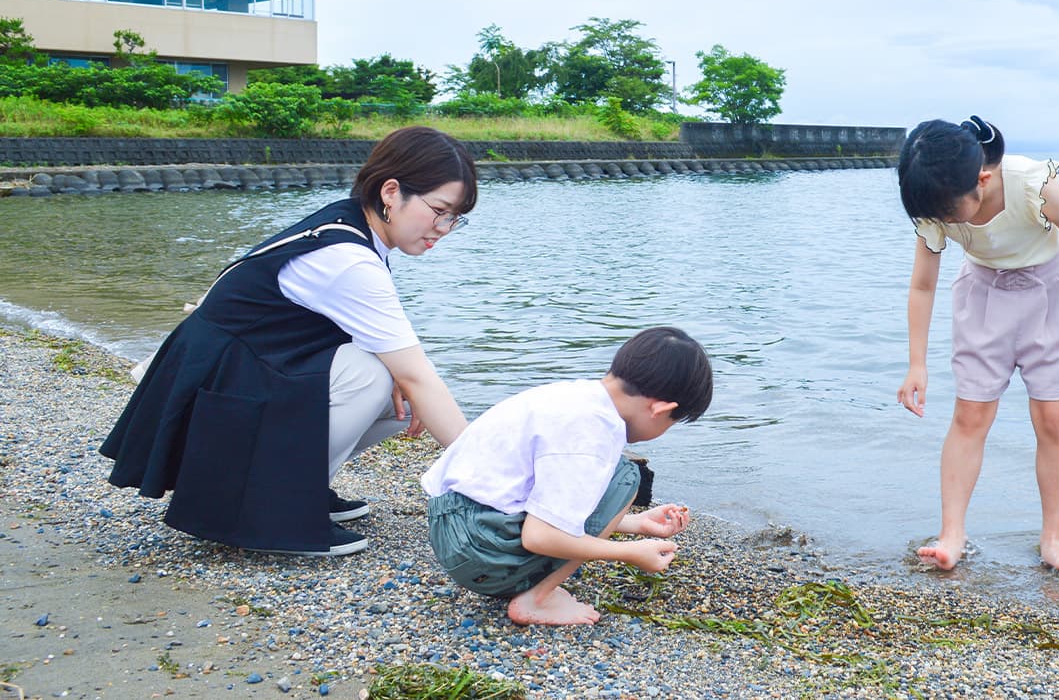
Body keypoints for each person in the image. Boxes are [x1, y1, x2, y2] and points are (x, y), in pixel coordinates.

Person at [101, 125, 478, 557]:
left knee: (402, 392)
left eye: (455, 218)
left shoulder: (350, 223)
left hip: (224, 381)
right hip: (211, 397)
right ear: (391, 192)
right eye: (440, 211)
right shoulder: (349, 259)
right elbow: (416, 374)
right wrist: (485, 466)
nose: (445, 228)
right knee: (381, 378)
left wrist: (407, 382)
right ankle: (266, 509)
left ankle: (298, 489)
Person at [896, 115, 1059, 573]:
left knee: (1053, 418)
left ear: (983, 179)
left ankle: (1053, 540)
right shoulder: (936, 205)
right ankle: (951, 534)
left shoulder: (1031, 185)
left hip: (1053, 296)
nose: (942, 223)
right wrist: (917, 363)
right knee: (970, 413)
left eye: (949, 214)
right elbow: (922, 285)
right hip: (983, 299)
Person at [423, 326, 714, 626]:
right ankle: (536, 600)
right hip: (480, 550)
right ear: (660, 409)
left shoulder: (577, 398)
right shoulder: (593, 436)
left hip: (456, 530)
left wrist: (636, 524)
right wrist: (628, 552)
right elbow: (540, 536)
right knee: (625, 478)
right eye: (671, 423)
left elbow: (537, 496)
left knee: (614, 476)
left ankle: (534, 591)